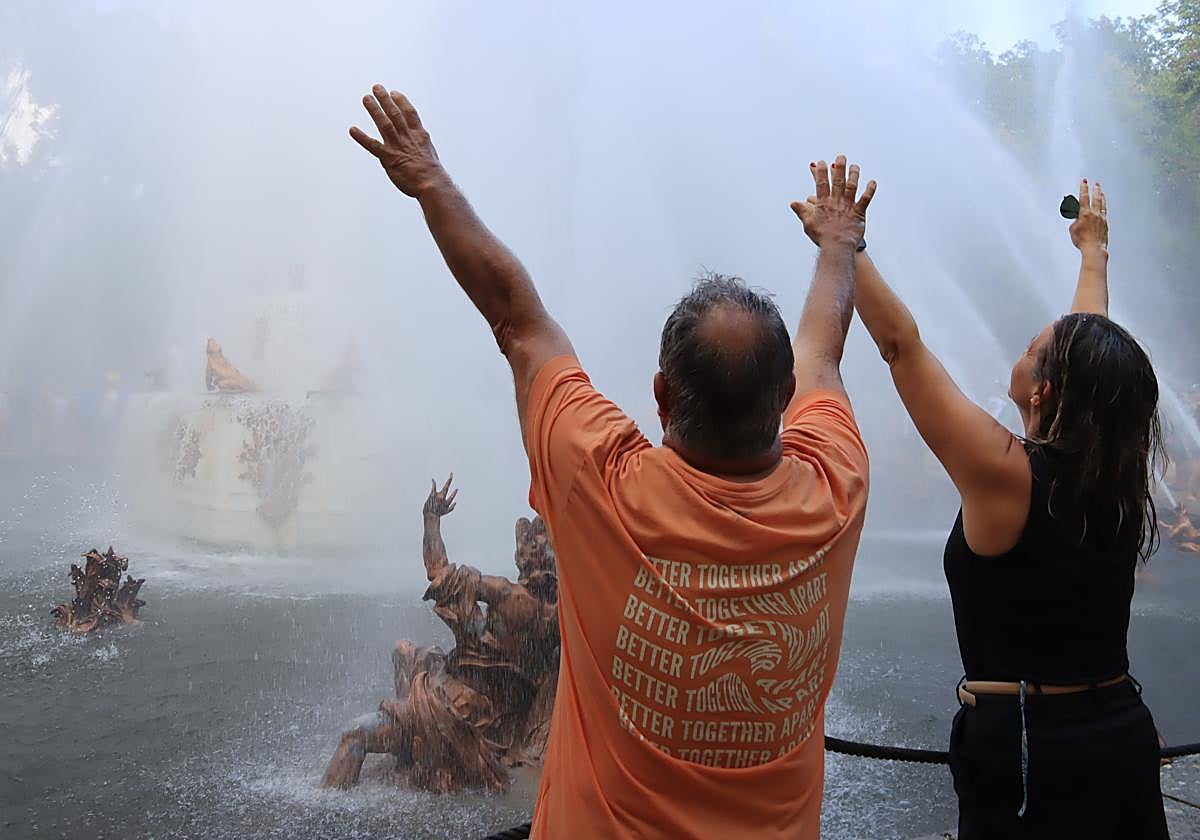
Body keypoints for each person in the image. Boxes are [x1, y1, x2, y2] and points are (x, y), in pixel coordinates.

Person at [348, 86, 873, 838]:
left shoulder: (603, 482)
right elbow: (824, 350)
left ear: (660, 395)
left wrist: (430, 182)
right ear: (784, 397)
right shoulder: (836, 490)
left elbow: (517, 318)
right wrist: (836, 245)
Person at [850, 179, 1168, 837]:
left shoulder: (1007, 476)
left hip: (1030, 752)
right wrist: (1093, 253)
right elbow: (1093, 348)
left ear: (1044, 392)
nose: (1017, 351)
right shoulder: (1116, 471)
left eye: (1030, 347)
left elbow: (901, 347)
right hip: (1120, 730)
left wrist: (845, 246)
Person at [322, 475, 559, 792]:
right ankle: (412, 752)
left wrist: (431, 518)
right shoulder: (564, 620)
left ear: (524, 557)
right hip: (495, 727)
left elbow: (438, 573)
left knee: (355, 736)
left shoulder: (507, 595)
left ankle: (324, 812)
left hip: (449, 708)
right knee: (408, 652)